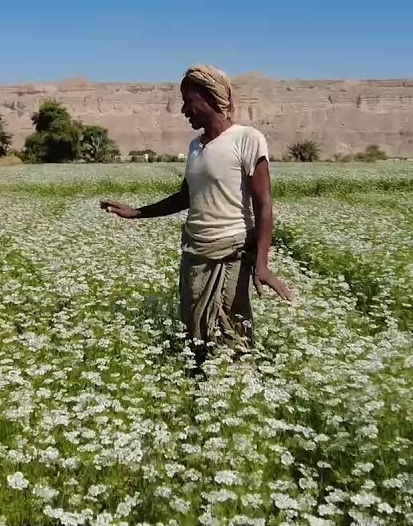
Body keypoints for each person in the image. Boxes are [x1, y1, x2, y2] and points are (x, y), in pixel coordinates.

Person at [100, 65, 294, 366]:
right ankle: (201, 384)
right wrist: (137, 212)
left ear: (207, 96)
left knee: (231, 335)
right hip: (195, 254)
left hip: (229, 255)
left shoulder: (248, 138)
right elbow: (187, 197)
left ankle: (237, 388)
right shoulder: (195, 146)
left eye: (187, 99)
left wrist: (262, 264)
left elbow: (264, 205)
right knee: (197, 337)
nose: (183, 109)